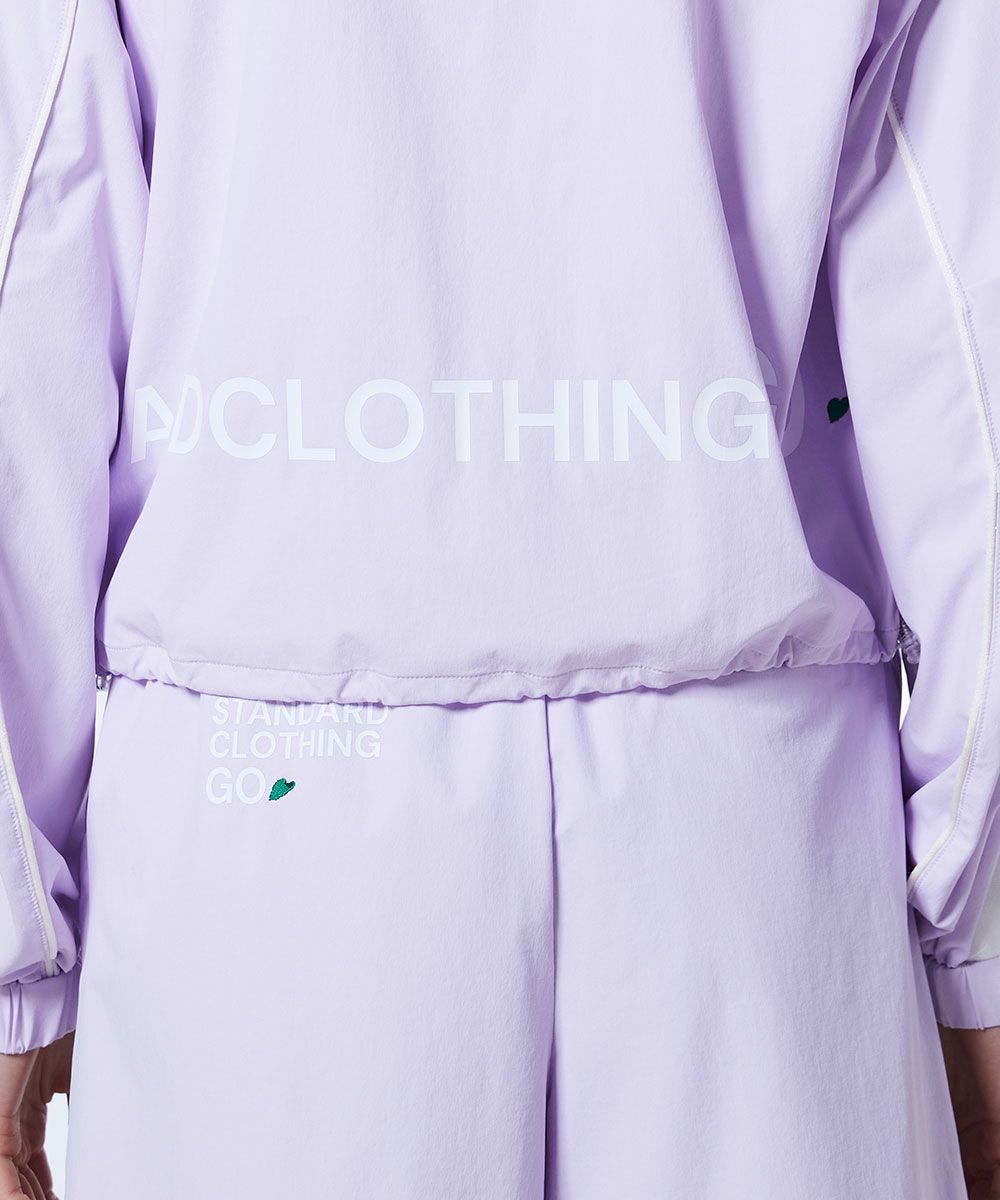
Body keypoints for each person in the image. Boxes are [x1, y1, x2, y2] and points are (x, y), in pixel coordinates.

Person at [0, 0, 997, 1196]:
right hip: (749, 837)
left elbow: (34, 259)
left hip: (265, 839)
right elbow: (962, 330)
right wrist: (981, 931)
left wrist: (16, 949)